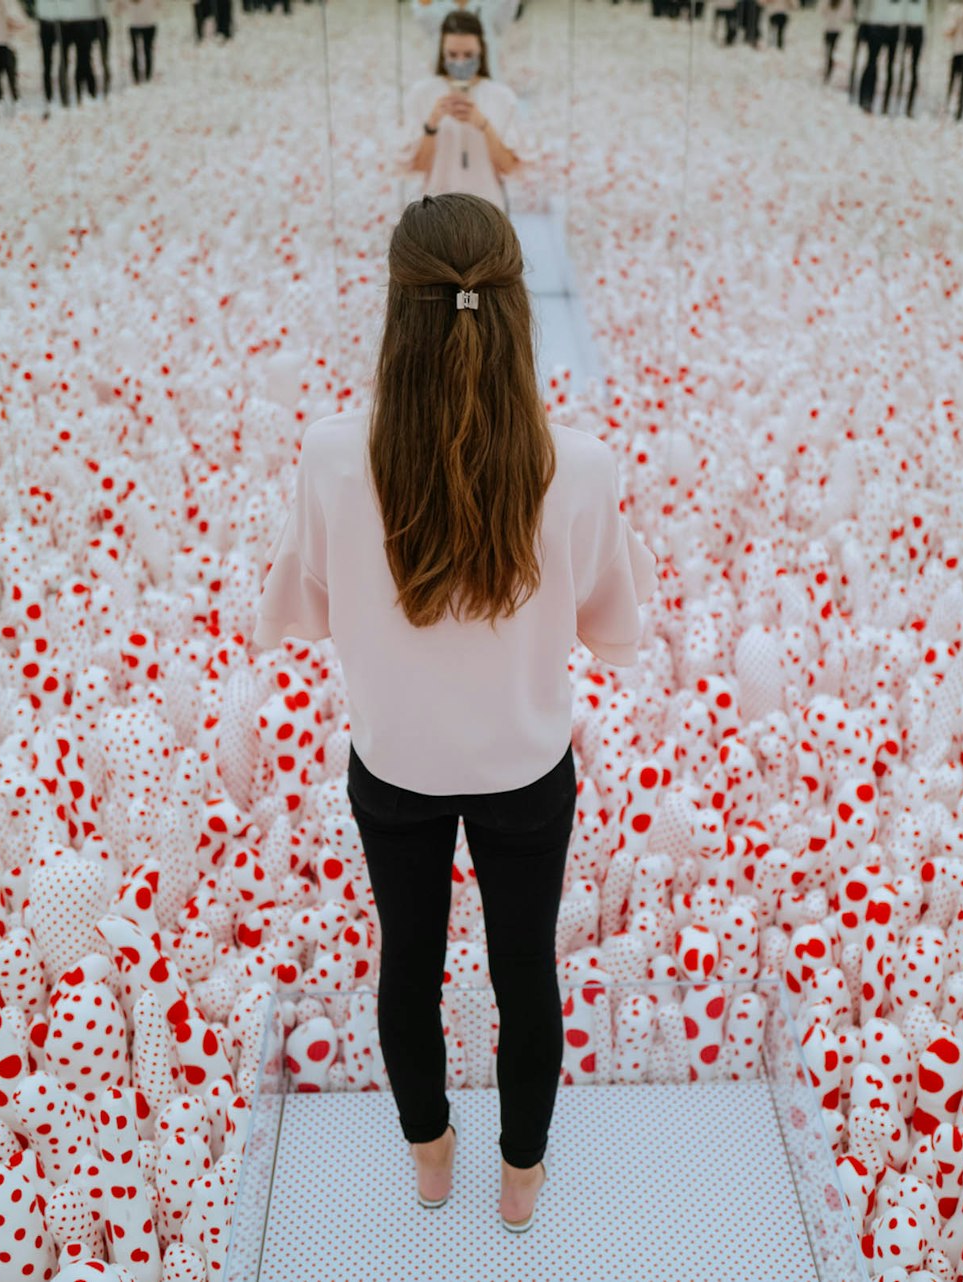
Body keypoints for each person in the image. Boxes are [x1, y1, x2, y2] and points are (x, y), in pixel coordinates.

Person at [255, 192, 655, 1237]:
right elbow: (618, 629)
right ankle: (521, 1180)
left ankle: (431, 1161)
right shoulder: (582, 464)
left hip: (395, 770)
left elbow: (303, 606)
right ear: (516, 307)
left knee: (408, 964)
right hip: (527, 769)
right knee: (526, 970)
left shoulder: (334, 454)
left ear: (398, 310)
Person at [405, 12, 522, 211]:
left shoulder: (502, 97)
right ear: (442, 53)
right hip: (436, 212)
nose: (460, 62)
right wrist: (432, 124)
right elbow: (417, 166)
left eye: (468, 55)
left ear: (481, 51)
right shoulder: (422, 94)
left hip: (488, 211)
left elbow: (509, 167)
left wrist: (483, 125)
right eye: (452, 54)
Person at [851, 0, 899, 111]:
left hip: (894, 26)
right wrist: (862, 21)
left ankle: (886, 103)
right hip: (875, 24)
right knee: (872, 63)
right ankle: (865, 98)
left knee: (890, 66)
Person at [891, 0, 925, 113]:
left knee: (914, 68)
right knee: (901, 65)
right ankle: (897, 99)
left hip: (918, 28)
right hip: (905, 28)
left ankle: (910, 105)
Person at [824, 0, 849, 80]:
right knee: (832, 50)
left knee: (828, 50)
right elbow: (848, 15)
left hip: (828, 27)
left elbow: (822, 11)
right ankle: (829, 65)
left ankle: (828, 66)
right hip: (838, 28)